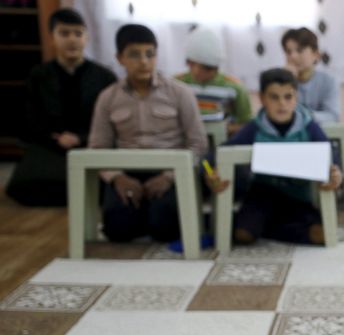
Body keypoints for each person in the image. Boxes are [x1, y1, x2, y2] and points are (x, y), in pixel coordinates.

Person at [87, 23, 208, 243]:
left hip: (170, 172)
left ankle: (153, 215)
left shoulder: (180, 93)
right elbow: (98, 147)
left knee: (164, 228)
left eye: (149, 54)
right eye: (134, 55)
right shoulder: (108, 97)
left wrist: (169, 177)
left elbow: (198, 144)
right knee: (117, 230)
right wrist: (117, 178)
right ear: (119, 58)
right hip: (127, 172)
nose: (144, 61)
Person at [206, 68, 342, 245]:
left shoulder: (309, 127)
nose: (282, 104)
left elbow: (331, 157)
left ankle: (267, 228)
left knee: (322, 235)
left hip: (297, 196)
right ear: (262, 98)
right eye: (274, 97)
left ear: (296, 97)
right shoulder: (254, 128)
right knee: (242, 236)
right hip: (262, 194)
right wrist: (210, 174)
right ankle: (256, 225)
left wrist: (337, 176)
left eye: (288, 97)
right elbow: (215, 156)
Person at [5, 8, 117, 206]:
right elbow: (30, 119)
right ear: (52, 38)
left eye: (78, 33)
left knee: (106, 184)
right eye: (64, 33)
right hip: (51, 145)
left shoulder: (104, 77)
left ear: (87, 38)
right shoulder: (38, 75)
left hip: (91, 143)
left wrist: (80, 137)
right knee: (23, 187)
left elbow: (113, 120)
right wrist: (55, 137)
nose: (72, 40)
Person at [175, 26, 253, 136]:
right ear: (191, 63)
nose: (211, 72)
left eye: (213, 68)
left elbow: (247, 124)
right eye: (206, 68)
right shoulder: (176, 85)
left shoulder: (235, 87)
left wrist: (226, 129)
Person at [282, 27, 340, 123]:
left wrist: (303, 115)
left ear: (316, 55)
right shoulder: (280, 81)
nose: (293, 56)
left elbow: (333, 117)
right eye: (288, 52)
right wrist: (287, 81)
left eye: (299, 50)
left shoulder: (329, 81)